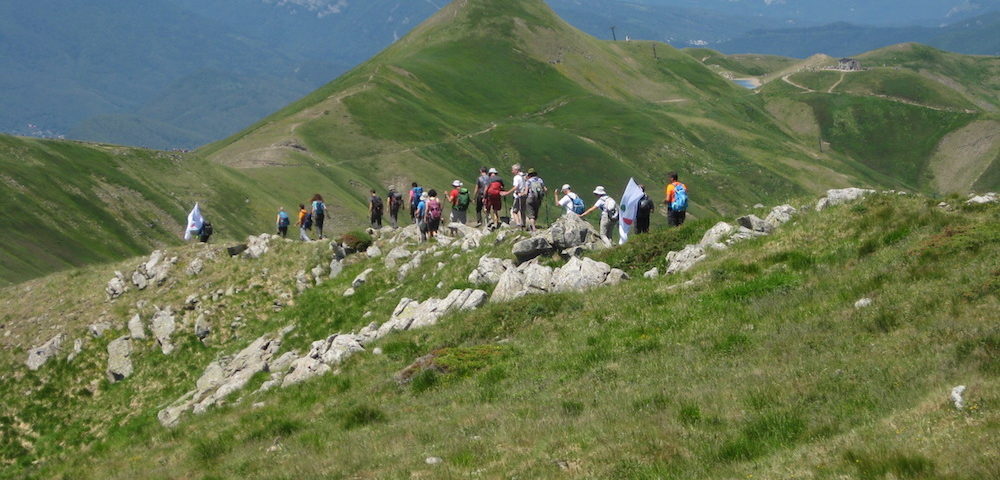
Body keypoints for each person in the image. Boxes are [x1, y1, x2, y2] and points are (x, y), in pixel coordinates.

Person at [501, 163, 526, 229]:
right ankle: (523, 224)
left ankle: (518, 224)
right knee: (522, 210)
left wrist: (507, 193)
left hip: (518, 196)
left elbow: (515, 187)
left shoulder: (516, 177)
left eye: (513, 170)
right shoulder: (523, 176)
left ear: (516, 170)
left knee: (514, 211)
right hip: (524, 195)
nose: (512, 171)